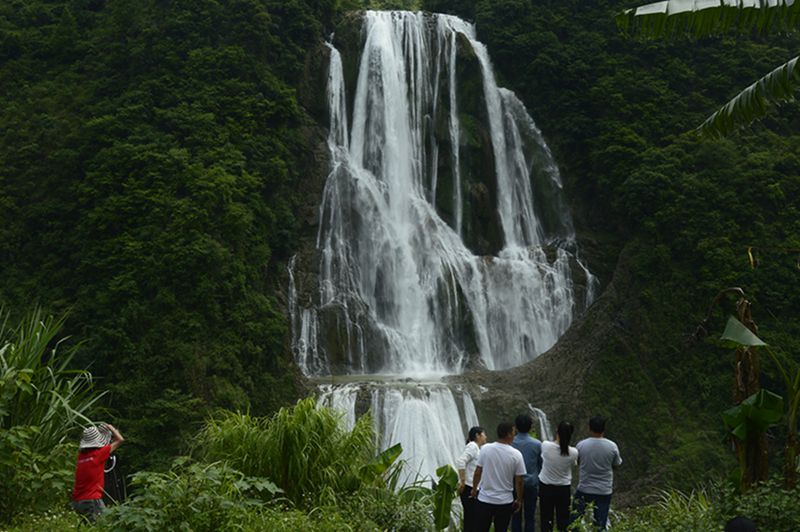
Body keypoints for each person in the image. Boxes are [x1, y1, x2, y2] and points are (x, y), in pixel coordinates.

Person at [471, 421, 526, 532]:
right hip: (504, 502)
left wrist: (474, 489)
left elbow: (477, 472)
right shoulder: (516, 454)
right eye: (514, 432)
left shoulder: (485, 449)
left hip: (484, 499)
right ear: (509, 434)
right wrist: (519, 500)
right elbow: (519, 481)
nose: (515, 434)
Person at [573, 416, 621, 530]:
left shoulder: (581, 445)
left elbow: (578, 461)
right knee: (600, 523)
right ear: (604, 429)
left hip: (584, 488)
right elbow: (617, 464)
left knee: (575, 519)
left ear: (589, 428)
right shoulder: (612, 446)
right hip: (604, 490)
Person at [72, 423, 124, 523]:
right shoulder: (99, 454)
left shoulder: (81, 456)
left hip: (77, 501)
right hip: (92, 500)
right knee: (103, 527)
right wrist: (111, 428)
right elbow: (120, 440)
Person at [538, 421, 578, 531]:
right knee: (563, 521)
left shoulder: (545, 445)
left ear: (557, 432)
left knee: (546, 520)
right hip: (563, 489)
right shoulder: (574, 452)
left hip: (545, 487)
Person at [511, 414, 542, 532]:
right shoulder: (537, 444)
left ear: (516, 427)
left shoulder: (511, 443)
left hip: (513, 483)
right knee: (530, 517)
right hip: (531, 484)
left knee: (515, 515)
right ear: (530, 428)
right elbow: (540, 464)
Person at [456, 426, 487, 532]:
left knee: (472, 519)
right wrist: (463, 481)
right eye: (484, 434)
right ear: (477, 436)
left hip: (473, 488)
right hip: (469, 488)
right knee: (471, 520)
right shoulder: (473, 446)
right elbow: (461, 461)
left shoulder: (478, 448)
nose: (485, 437)